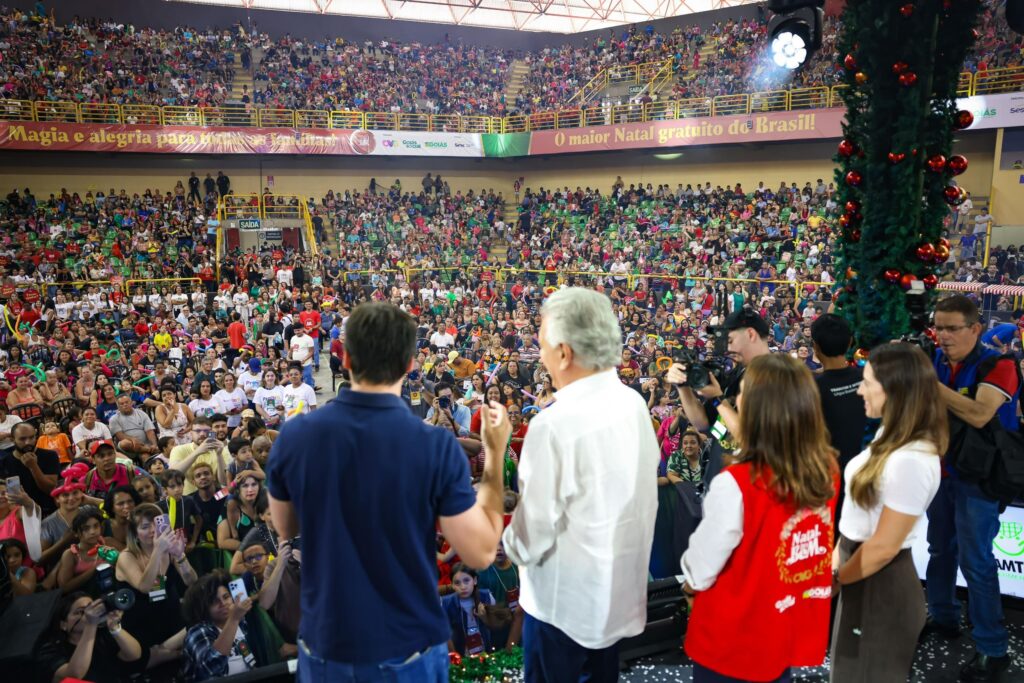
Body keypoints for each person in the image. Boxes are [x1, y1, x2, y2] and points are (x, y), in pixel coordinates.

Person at [267, 302, 510, 682]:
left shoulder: (295, 435)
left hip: (328, 645)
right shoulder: (435, 445)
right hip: (407, 647)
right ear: (411, 364)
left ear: (344, 358)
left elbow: (286, 528)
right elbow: (479, 552)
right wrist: (493, 455)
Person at [502, 288, 658, 683]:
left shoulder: (552, 425)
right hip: (615, 602)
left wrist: (507, 543)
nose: (539, 356)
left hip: (560, 613)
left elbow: (529, 539)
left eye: (542, 346)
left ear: (564, 353)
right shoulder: (634, 403)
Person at [681, 354, 838, 683]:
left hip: (734, 636)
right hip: (784, 621)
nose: (736, 400)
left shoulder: (738, 482)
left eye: (742, 394)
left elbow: (701, 565)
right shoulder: (826, 470)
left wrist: (689, 585)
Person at [831, 343, 947, 681]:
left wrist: (837, 577)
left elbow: (883, 547)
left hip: (879, 586)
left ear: (894, 388)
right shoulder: (890, 436)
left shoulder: (911, 457)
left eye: (867, 382)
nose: (859, 390)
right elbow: (859, 519)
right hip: (860, 574)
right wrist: (837, 564)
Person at [926, 295, 1018, 680]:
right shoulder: (936, 361)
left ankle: (993, 649)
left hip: (980, 479)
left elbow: (980, 414)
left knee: (976, 561)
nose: (943, 337)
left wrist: (926, 382)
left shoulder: (1001, 365)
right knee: (939, 549)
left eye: (952, 328)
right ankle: (944, 617)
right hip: (942, 472)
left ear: (976, 328)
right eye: (938, 328)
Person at [810, 313, 867, 524]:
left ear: (815, 347)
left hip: (830, 485)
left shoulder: (812, 388)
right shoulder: (869, 378)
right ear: (851, 342)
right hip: (869, 479)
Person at [36, 592, 145, 683]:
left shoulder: (102, 635)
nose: (88, 615)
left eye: (90, 609)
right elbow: (74, 675)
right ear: (63, 624)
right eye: (80, 612)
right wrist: (91, 624)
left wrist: (114, 627)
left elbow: (134, 655)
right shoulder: (51, 649)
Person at [181, 569, 256, 681]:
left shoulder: (240, 621)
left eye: (226, 597)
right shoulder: (196, 633)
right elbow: (212, 667)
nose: (223, 604)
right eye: (214, 601)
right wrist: (233, 619)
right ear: (202, 608)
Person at [0, 421, 60, 515]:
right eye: (22, 439)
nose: (28, 442)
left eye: (31, 437)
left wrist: (33, 466)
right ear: (12, 439)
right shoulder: (4, 462)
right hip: (20, 514)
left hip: (48, 510)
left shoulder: (50, 456)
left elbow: (50, 489)